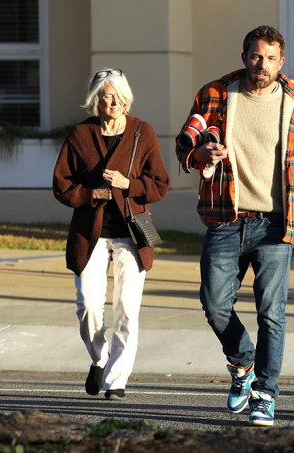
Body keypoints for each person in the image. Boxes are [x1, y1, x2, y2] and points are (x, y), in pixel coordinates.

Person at [175, 25, 294, 426]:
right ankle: (244, 363)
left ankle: (265, 395)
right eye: (256, 57)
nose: (262, 65)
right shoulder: (214, 94)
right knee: (213, 302)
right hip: (226, 219)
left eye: (271, 59)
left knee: (271, 313)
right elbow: (183, 144)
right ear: (244, 56)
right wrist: (198, 152)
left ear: (282, 62)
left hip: (277, 224)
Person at [53, 68, 170, 400]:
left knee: (127, 309)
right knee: (89, 305)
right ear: (95, 100)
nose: (114, 100)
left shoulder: (141, 133)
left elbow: (160, 184)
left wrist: (127, 185)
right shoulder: (79, 134)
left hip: (131, 234)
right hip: (90, 235)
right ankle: (100, 358)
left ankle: (116, 380)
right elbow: (61, 185)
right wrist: (95, 194)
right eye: (107, 95)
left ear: (127, 97)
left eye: (119, 94)